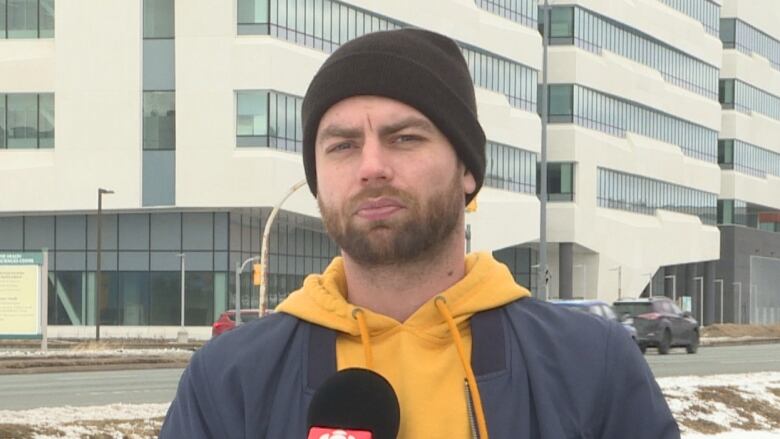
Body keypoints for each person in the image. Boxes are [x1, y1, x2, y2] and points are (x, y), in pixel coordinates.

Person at [160, 28, 679, 439]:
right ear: (317, 183)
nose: (371, 167)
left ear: (468, 170)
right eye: (341, 146)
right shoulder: (230, 380)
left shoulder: (591, 364)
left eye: (404, 138)